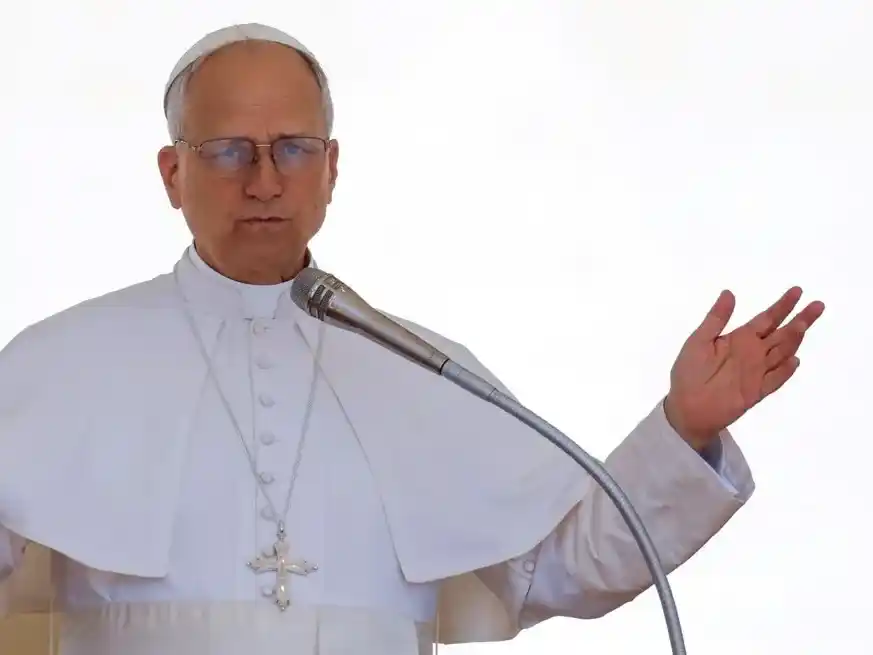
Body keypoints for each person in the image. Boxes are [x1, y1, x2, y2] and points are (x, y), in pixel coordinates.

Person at [0, 22, 824, 655]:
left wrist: (685, 429)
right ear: (172, 174)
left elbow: (561, 566)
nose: (263, 180)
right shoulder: (57, 364)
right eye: (226, 151)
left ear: (331, 168)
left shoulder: (423, 369)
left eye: (293, 148)